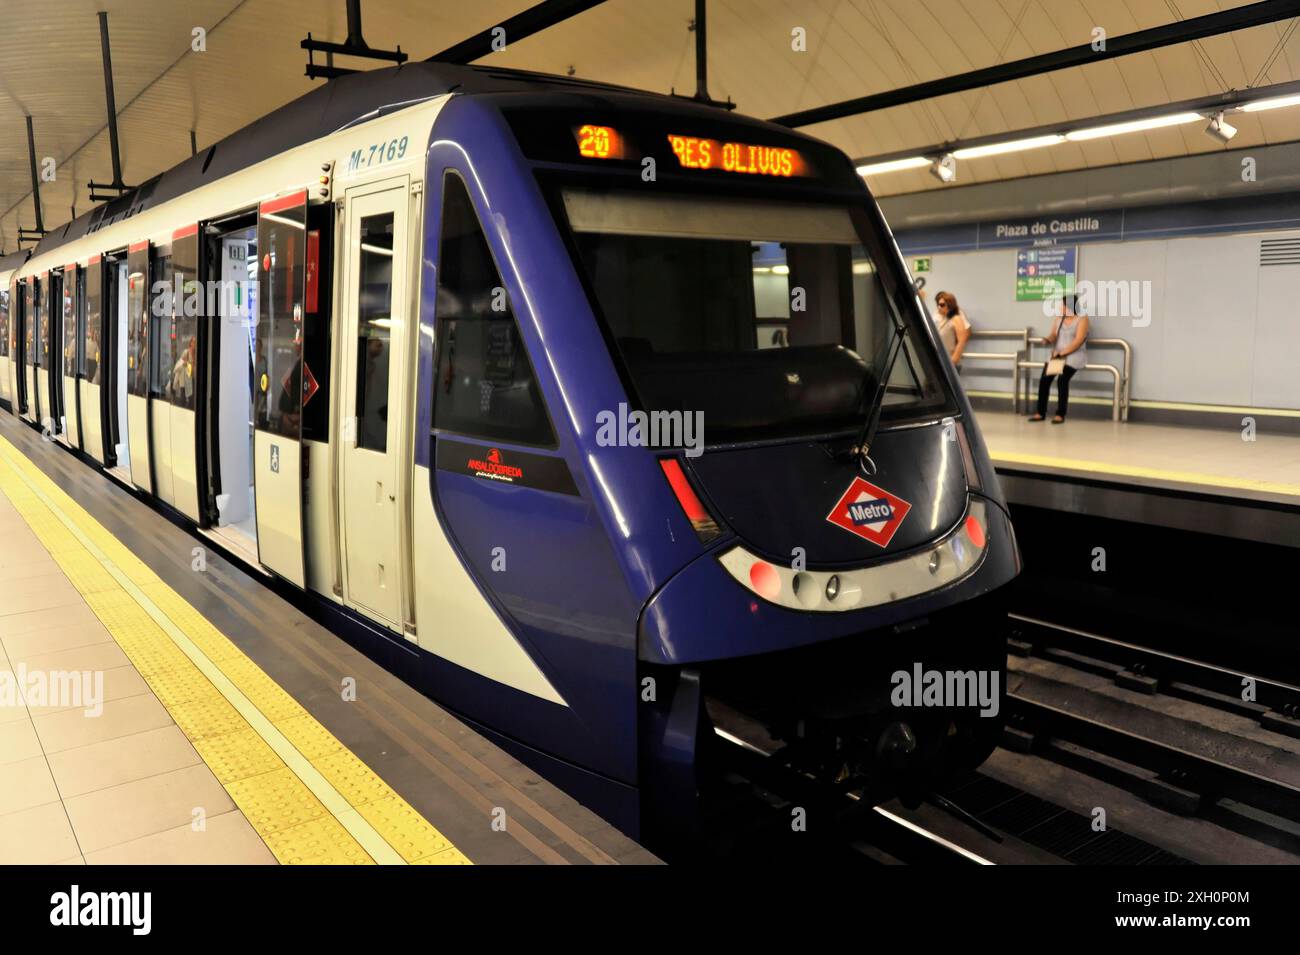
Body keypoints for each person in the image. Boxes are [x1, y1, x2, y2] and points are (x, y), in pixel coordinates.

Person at [1030, 295, 1089, 424]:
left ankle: (1060, 414)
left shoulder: (1082, 319)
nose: (1059, 307)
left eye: (1062, 305)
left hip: (1074, 356)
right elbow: (1053, 335)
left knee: (1062, 380)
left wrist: (1063, 353)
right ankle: (1040, 412)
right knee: (1045, 380)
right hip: (1058, 356)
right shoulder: (1058, 320)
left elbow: (1078, 341)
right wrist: (1047, 340)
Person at [933, 290, 972, 369]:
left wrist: (953, 360)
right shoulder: (937, 315)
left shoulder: (956, 318)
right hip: (937, 358)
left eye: (942, 305)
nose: (939, 307)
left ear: (949, 305)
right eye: (938, 304)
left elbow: (962, 340)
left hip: (948, 360)